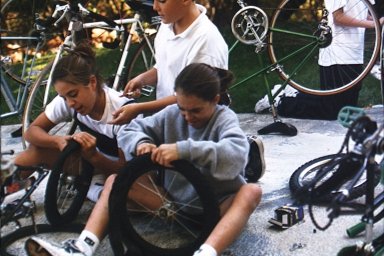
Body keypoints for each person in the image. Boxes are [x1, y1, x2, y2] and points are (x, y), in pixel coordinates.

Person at [26, 63, 263, 256]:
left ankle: (207, 252)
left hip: (216, 208)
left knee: (251, 192)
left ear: (215, 99)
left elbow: (235, 156)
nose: (187, 117)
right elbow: (131, 131)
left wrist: (183, 150)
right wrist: (142, 144)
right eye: (182, 108)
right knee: (114, 182)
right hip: (172, 205)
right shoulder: (173, 114)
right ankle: (81, 249)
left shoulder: (225, 119)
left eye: (196, 110)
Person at [12, 43, 131, 202]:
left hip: (120, 170)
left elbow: (126, 170)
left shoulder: (122, 111)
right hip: (92, 164)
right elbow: (31, 132)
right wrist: (56, 141)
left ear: (92, 82)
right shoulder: (70, 99)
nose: (69, 103)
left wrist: (94, 156)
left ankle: (92, 190)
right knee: (35, 151)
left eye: (73, 94)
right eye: (64, 98)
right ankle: (5, 190)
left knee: (119, 200)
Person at [255, 0, 384, 120]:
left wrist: (377, 21)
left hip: (355, 51)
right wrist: (374, 24)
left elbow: (363, 15)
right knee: (332, 111)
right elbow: (338, 17)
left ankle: (293, 93)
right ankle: (281, 101)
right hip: (336, 52)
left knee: (346, 108)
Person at [110, 0, 228, 125]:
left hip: (196, 128)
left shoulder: (206, 41)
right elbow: (165, 66)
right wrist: (142, 79)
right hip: (170, 122)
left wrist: (139, 109)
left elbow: (192, 97)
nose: (155, 7)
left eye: (162, 1)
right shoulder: (167, 24)